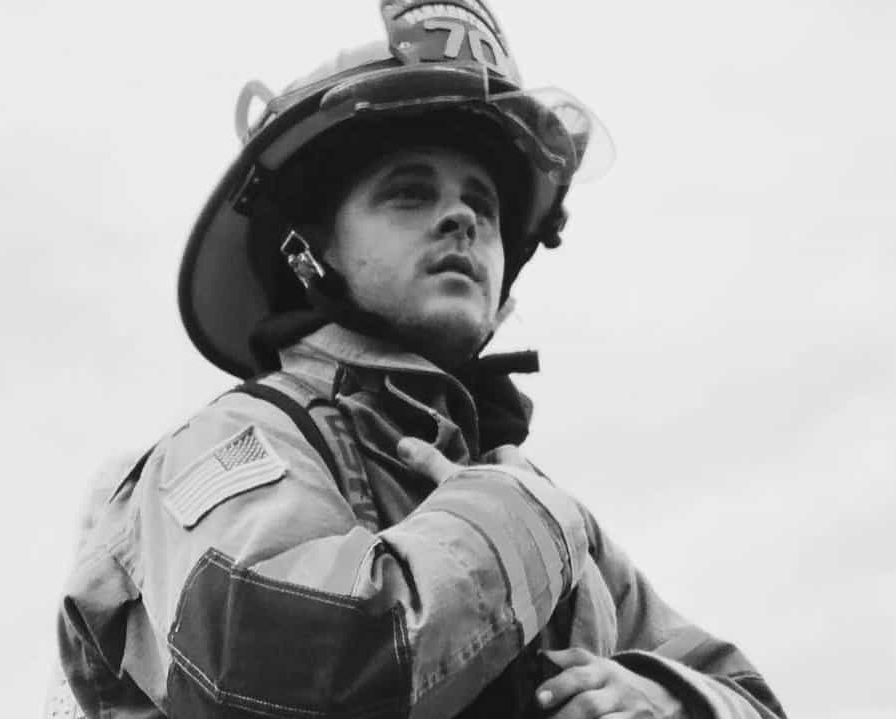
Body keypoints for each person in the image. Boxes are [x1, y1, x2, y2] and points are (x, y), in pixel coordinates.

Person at [56, 2, 787, 718]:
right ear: (310, 251)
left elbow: (755, 699)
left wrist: (670, 697)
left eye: (484, 204)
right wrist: (516, 524)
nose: (462, 217)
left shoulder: (538, 503)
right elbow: (287, 665)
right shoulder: (236, 443)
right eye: (409, 194)